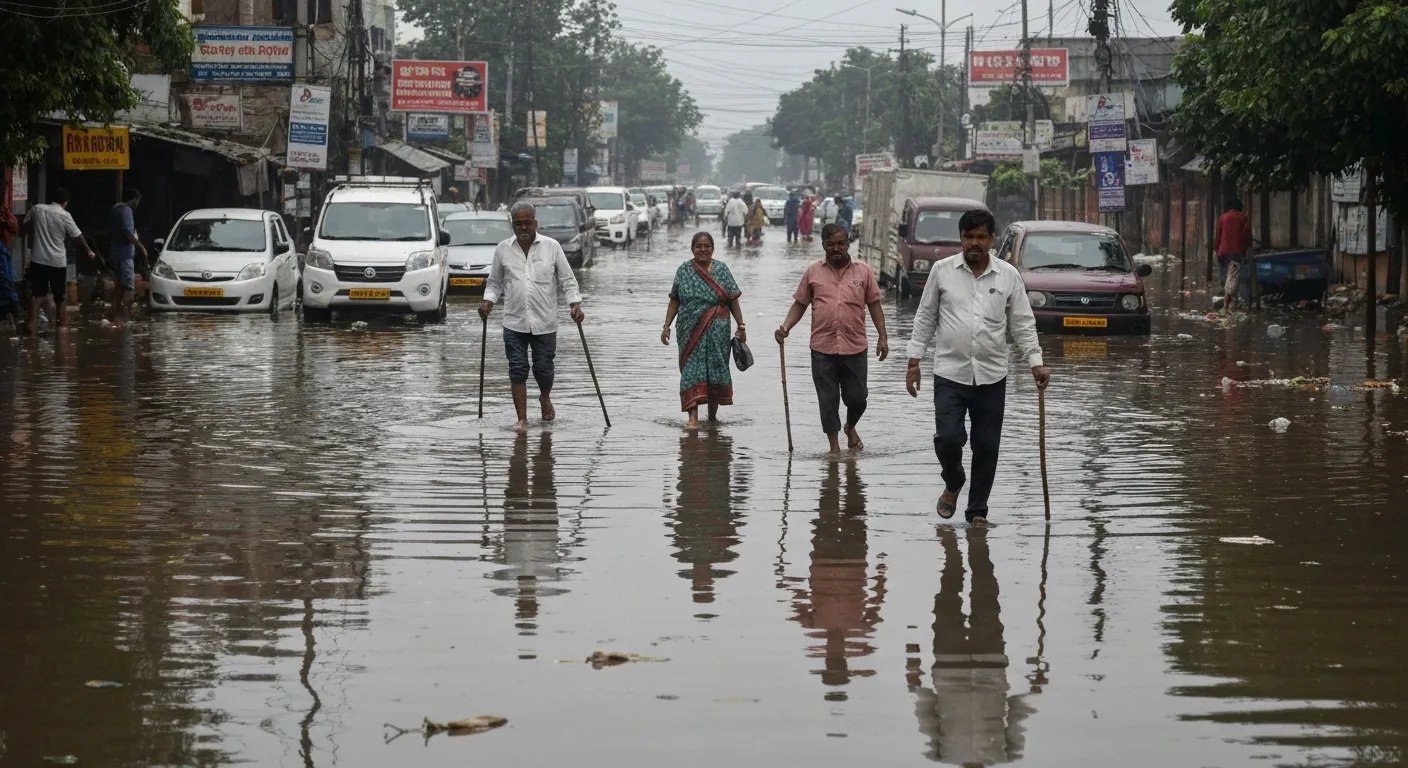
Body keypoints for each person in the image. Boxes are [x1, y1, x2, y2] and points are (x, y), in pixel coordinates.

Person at [903, 209, 1049, 527]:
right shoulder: (942, 271)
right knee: (947, 438)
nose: (975, 243)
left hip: (992, 375)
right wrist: (914, 361)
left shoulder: (1008, 275)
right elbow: (925, 317)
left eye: (981, 237)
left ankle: (977, 511)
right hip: (949, 373)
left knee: (986, 446)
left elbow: (1022, 322)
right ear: (961, 238)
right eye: (969, 236)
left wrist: (1035, 362)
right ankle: (954, 480)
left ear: (992, 239)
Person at [775, 223, 889, 453]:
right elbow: (800, 303)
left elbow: (874, 304)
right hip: (822, 349)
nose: (836, 248)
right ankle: (834, 449)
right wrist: (786, 327)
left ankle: (850, 426)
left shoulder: (863, 271)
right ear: (823, 245)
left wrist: (883, 337)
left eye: (841, 244)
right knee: (828, 401)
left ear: (848, 243)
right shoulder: (813, 272)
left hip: (855, 347)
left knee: (858, 398)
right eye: (831, 244)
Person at [480, 201, 585, 431]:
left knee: (543, 370)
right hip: (514, 321)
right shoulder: (503, 249)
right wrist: (488, 301)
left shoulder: (552, 247)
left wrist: (575, 304)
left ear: (535, 223)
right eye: (519, 224)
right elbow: (495, 283)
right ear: (513, 225)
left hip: (545, 321)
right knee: (517, 369)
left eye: (528, 223)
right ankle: (522, 419)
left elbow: (567, 280)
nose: (524, 228)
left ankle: (545, 397)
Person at [662, 232, 746, 428]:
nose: (703, 250)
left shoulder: (722, 270)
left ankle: (712, 417)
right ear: (692, 249)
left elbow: (733, 299)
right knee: (691, 370)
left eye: (707, 246)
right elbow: (675, 299)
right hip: (689, 328)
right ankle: (692, 418)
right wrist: (666, 326)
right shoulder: (684, 270)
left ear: (713, 249)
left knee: (715, 370)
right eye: (698, 246)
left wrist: (741, 325)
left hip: (718, 329)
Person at [22, 188, 94, 334]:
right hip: (57, 262)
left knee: (37, 295)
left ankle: (31, 324)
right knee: (60, 297)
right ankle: (62, 328)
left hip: (38, 259)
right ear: (65, 202)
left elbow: (25, 226)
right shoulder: (64, 215)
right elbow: (77, 236)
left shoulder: (37, 209)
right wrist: (88, 250)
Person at [108, 188, 148, 327]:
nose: (138, 204)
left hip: (115, 252)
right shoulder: (126, 210)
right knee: (128, 287)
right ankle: (126, 317)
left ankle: (117, 314)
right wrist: (141, 247)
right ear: (134, 199)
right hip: (124, 254)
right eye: (138, 201)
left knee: (120, 285)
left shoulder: (115, 209)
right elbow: (128, 233)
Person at [1214, 198, 1252, 309]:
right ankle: (1230, 301)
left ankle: (1229, 300)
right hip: (1237, 252)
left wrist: (1217, 249)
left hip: (1223, 252)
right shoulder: (1242, 217)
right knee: (1234, 276)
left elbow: (1218, 236)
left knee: (1228, 276)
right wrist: (1248, 246)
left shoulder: (1223, 217)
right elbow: (1247, 234)